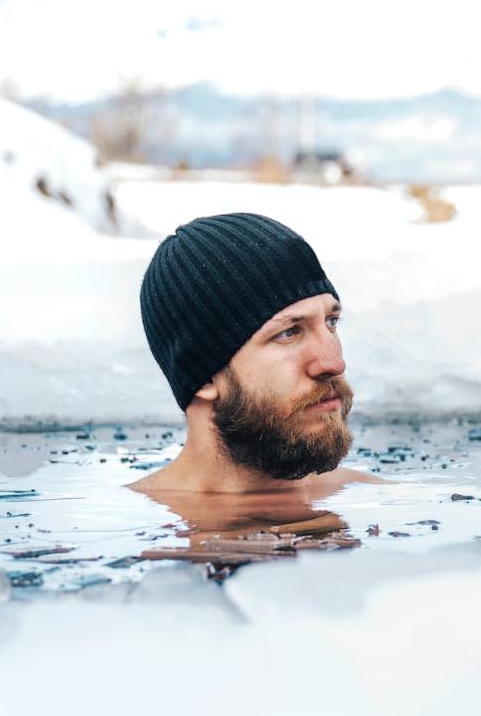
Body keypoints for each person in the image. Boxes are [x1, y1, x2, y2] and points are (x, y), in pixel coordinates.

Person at [126, 212, 380, 513]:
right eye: (288, 332)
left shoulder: (379, 501)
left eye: (331, 322)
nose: (334, 363)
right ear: (206, 376)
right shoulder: (121, 525)